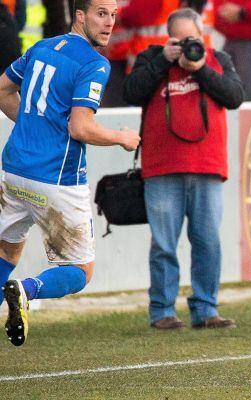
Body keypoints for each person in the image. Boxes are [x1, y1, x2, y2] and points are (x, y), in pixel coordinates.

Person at [0, 0, 140, 347]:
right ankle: (28, 291)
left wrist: (37, 126)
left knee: (6, 253)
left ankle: (16, 284)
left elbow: (2, 89)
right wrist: (122, 137)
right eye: (101, 14)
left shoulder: (41, 48)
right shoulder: (94, 64)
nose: (109, 23)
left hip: (14, 171)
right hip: (57, 178)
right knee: (80, 272)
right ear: (80, 16)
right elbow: (81, 128)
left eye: (113, 16)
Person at [122, 7, 244, 330]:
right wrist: (165, 59)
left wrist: (201, 68)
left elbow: (234, 97)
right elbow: (131, 91)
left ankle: (206, 309)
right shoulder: (152, 58)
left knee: (207, 240)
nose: (185, 46)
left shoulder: (217, 58)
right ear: (168, 37)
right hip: (162, 167)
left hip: (207, 166)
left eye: (191, 39)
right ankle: (162, 311)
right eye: (178, 39)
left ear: (201, 36)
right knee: (164, 243)